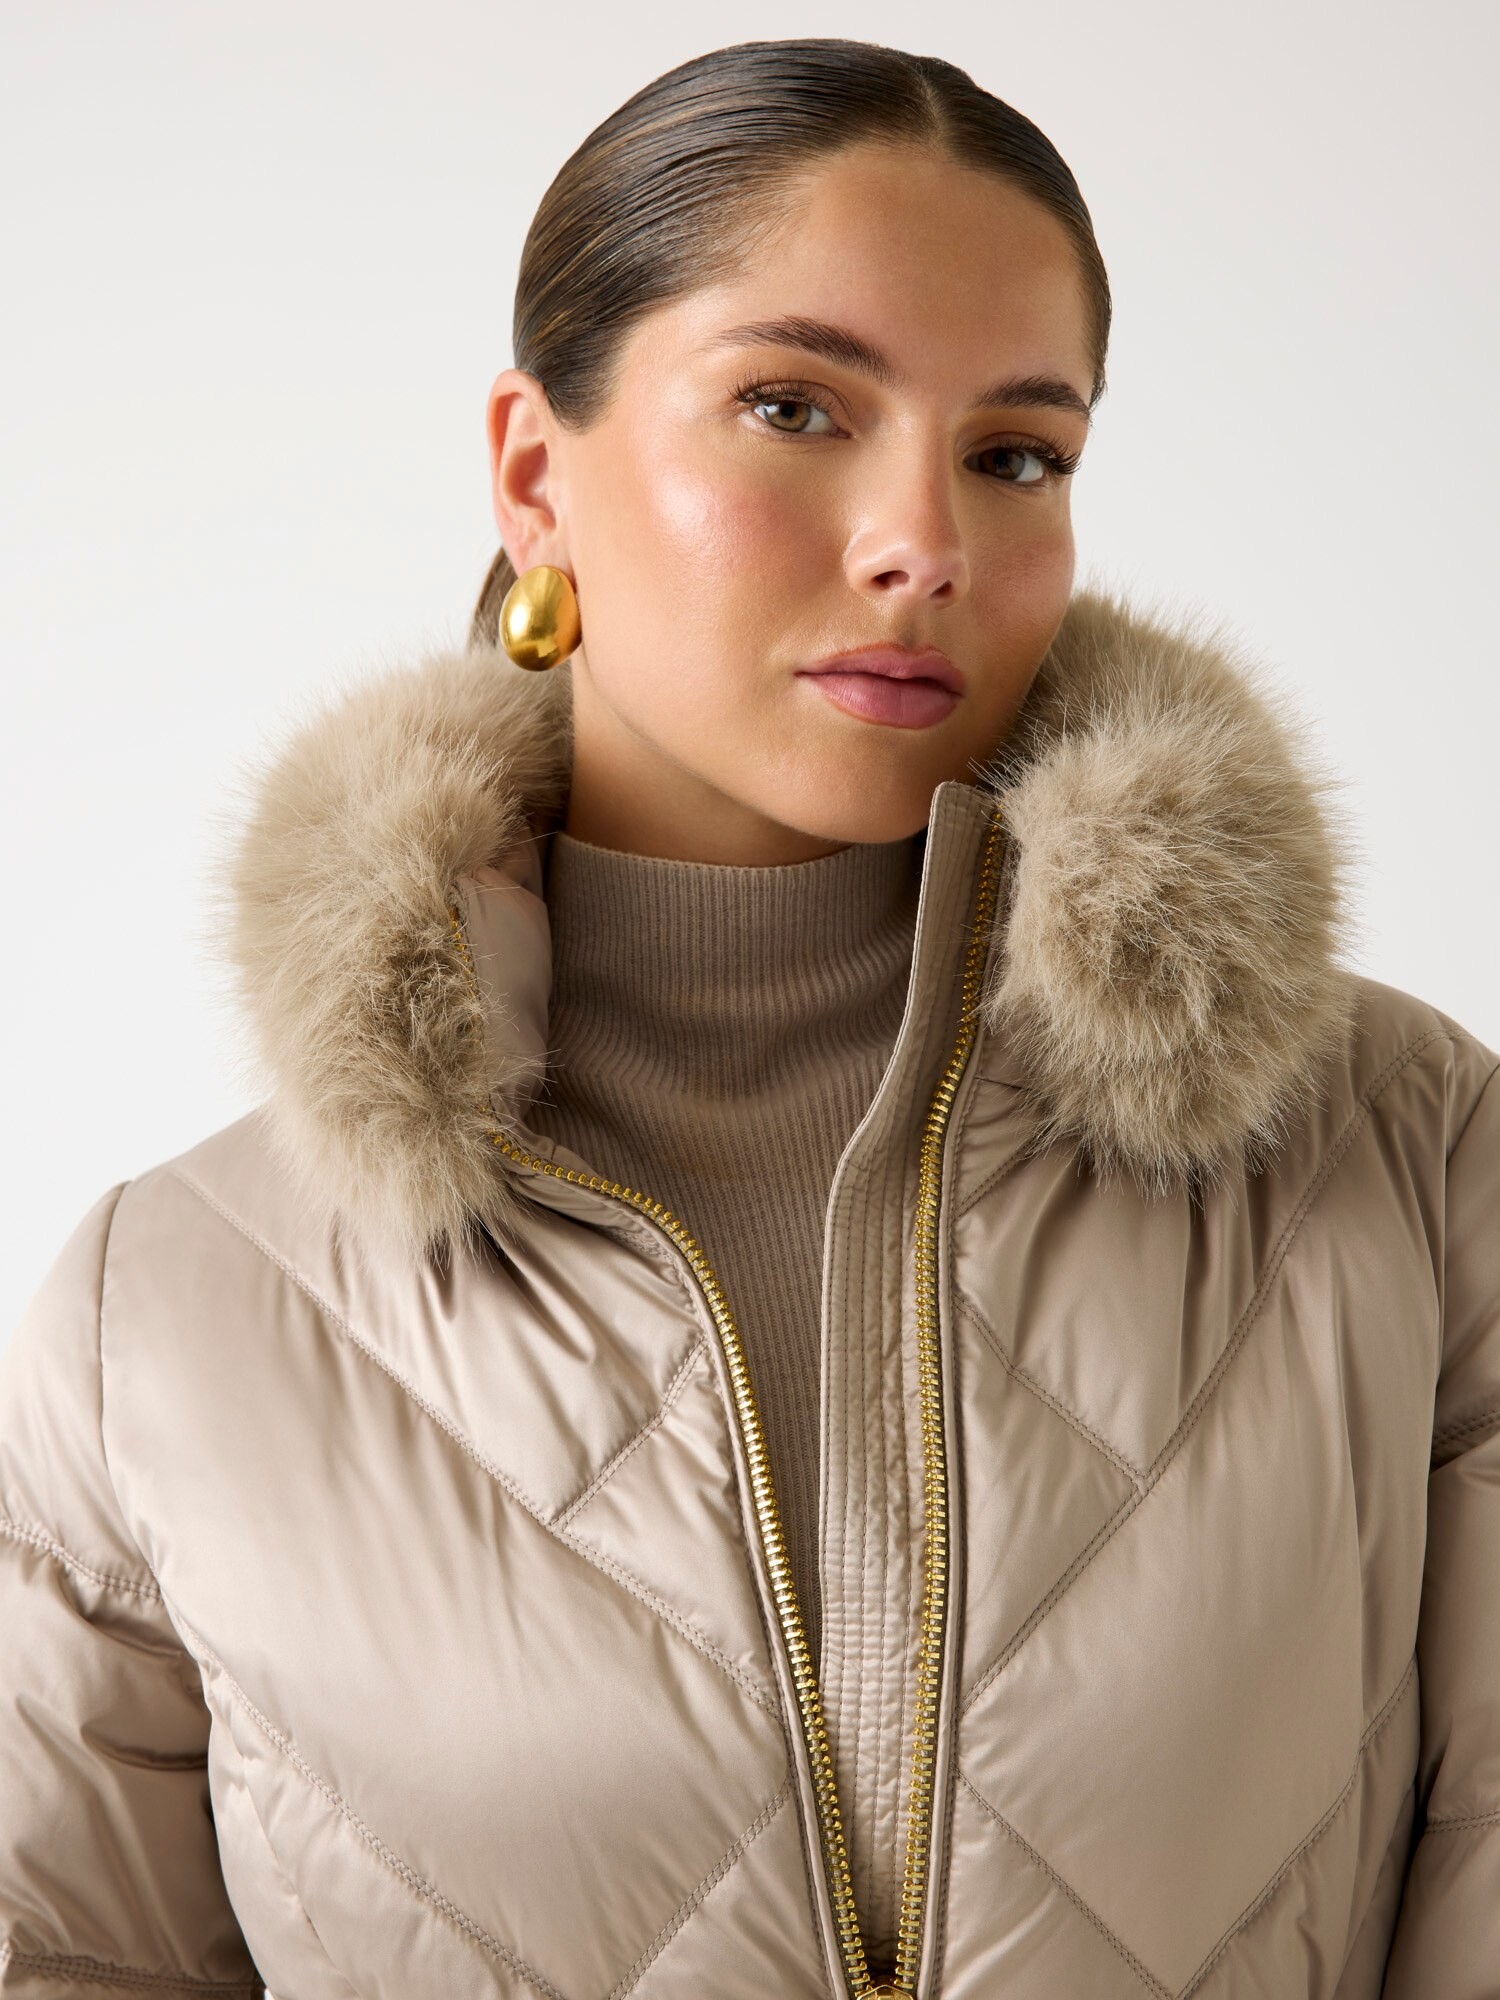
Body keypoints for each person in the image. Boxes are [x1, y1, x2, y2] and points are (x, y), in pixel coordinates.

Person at [0, 36, 1494, 2000]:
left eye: (1016, 453)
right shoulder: (174, 1310)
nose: (922, 542)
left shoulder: (1404, 1153)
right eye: (794, 407)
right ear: (535, 476)